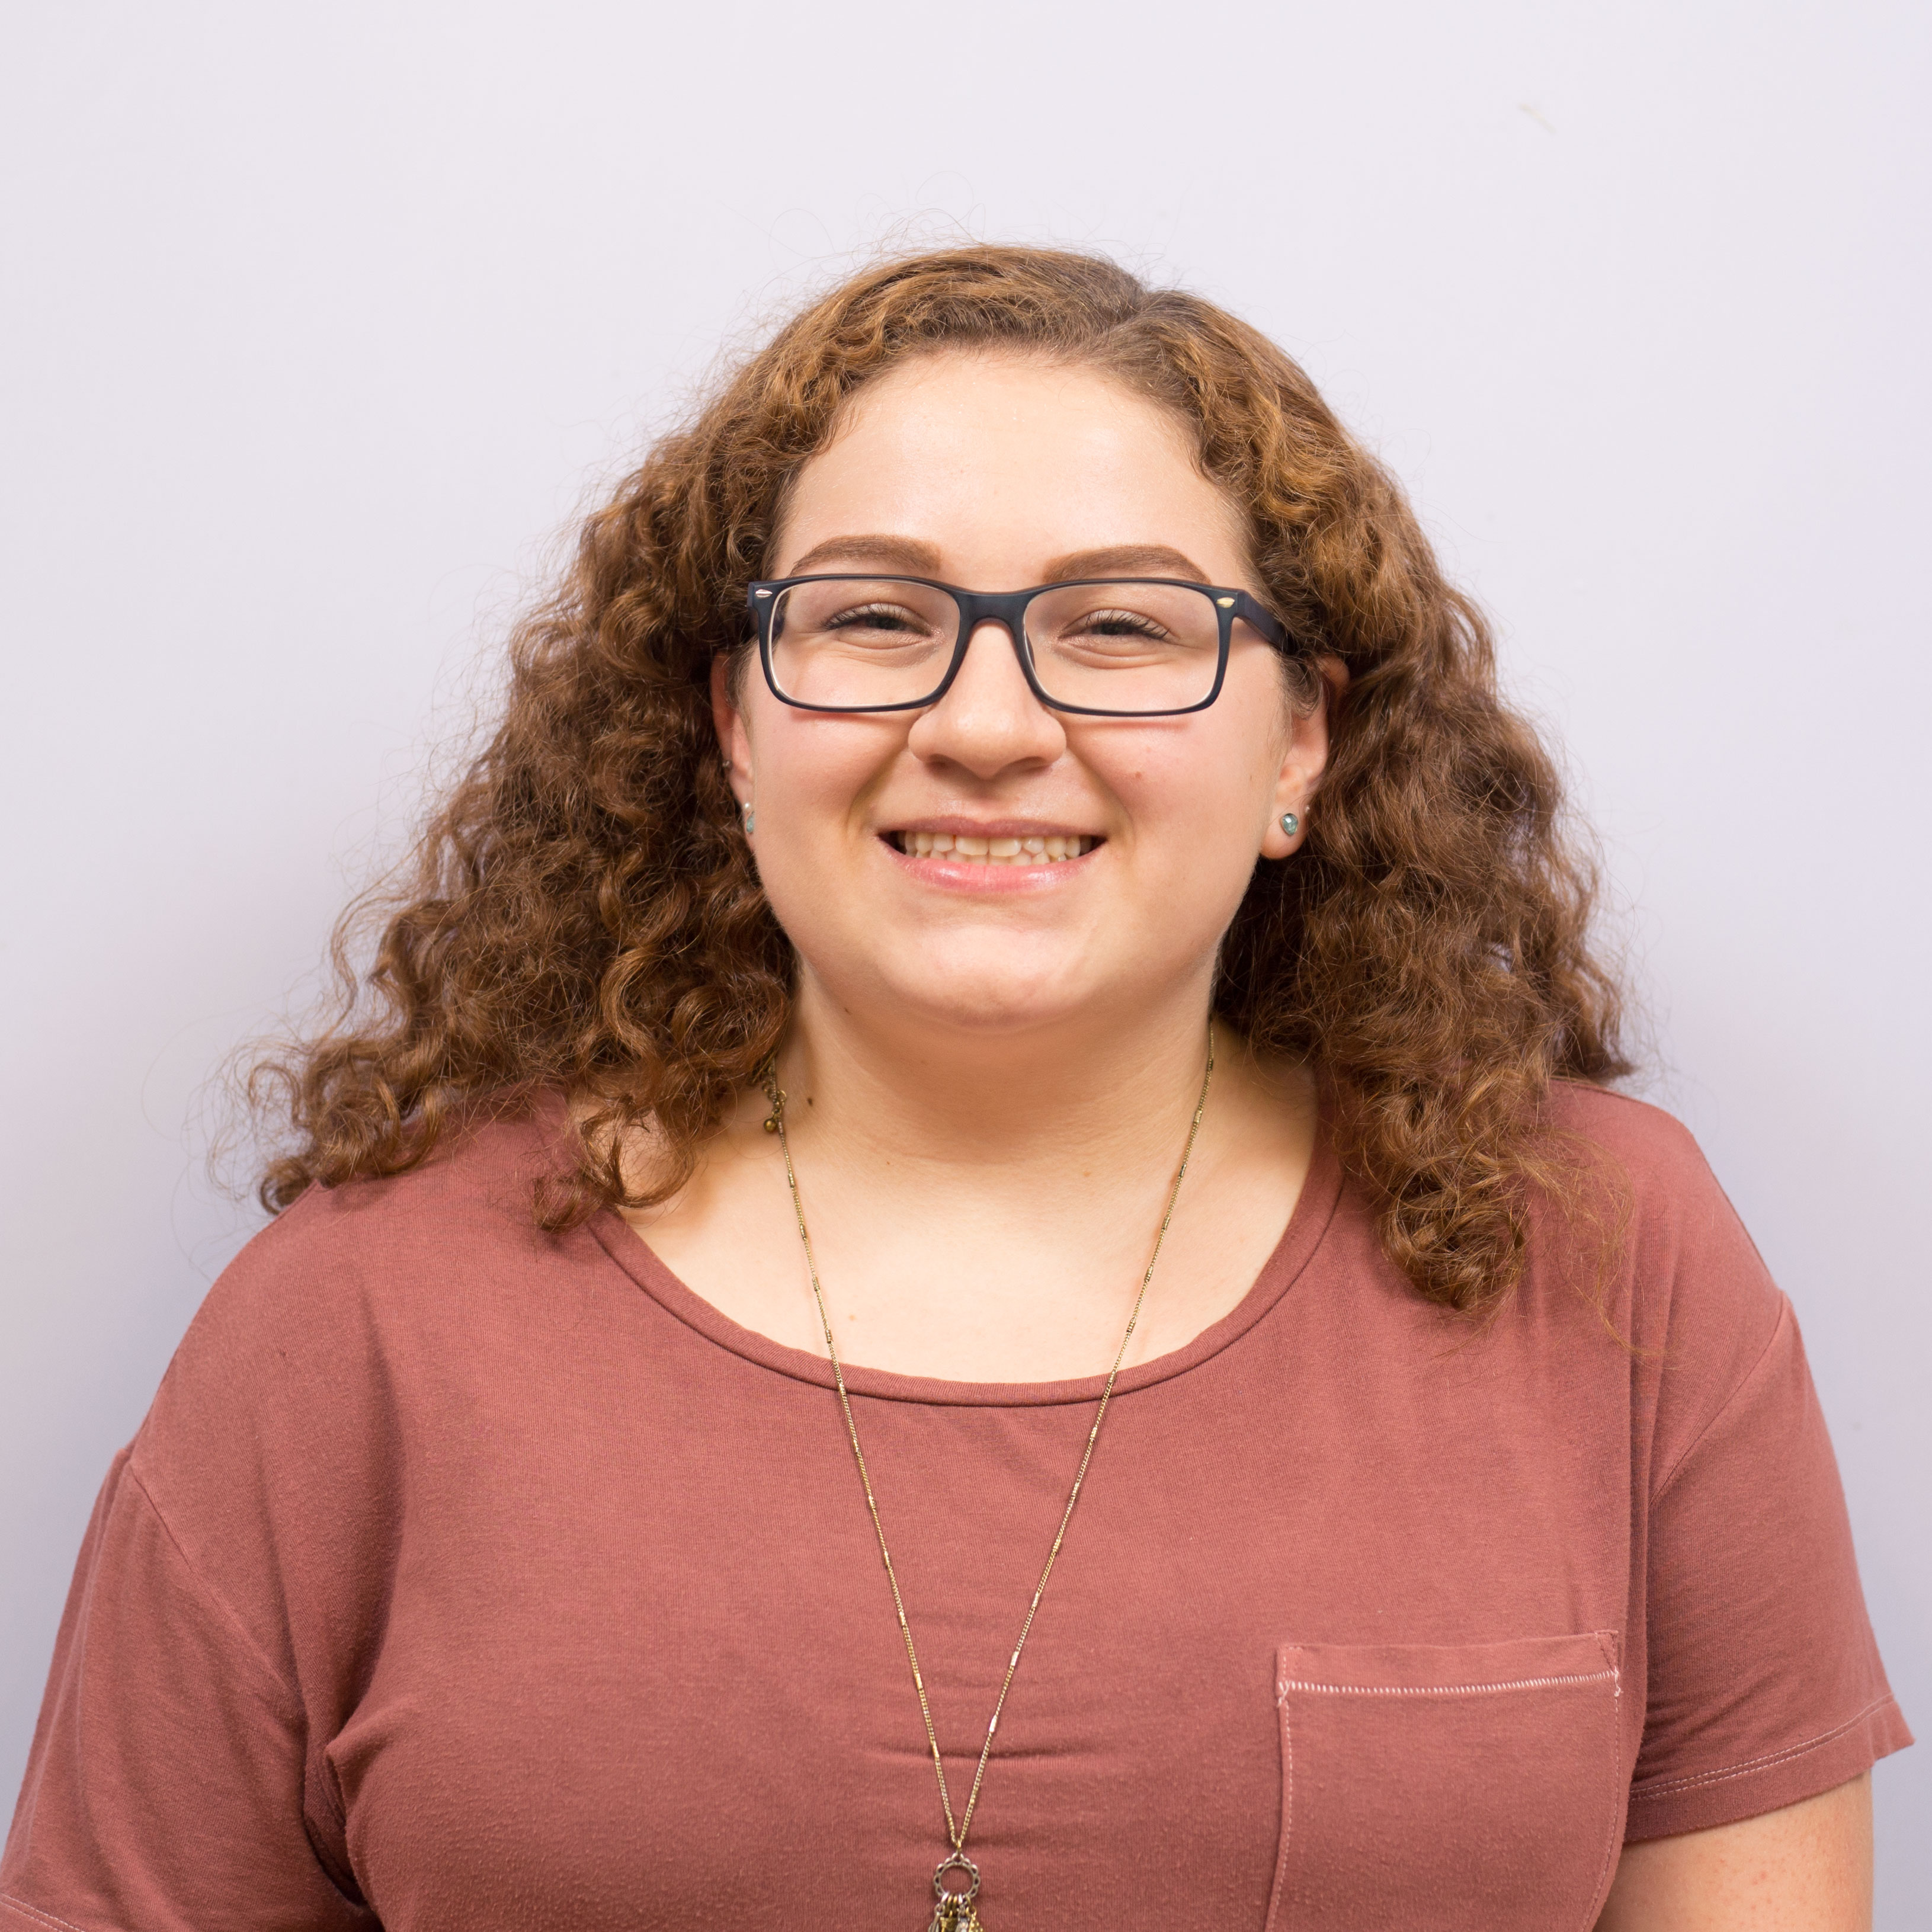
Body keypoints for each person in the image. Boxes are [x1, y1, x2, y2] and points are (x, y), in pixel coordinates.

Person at [0, 246, 1907, 1932]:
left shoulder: (1605, 1255)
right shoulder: (358, 1331)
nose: (987, 725)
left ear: (1300, 748)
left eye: (1124, 629)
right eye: (871, 620)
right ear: (734, 726)